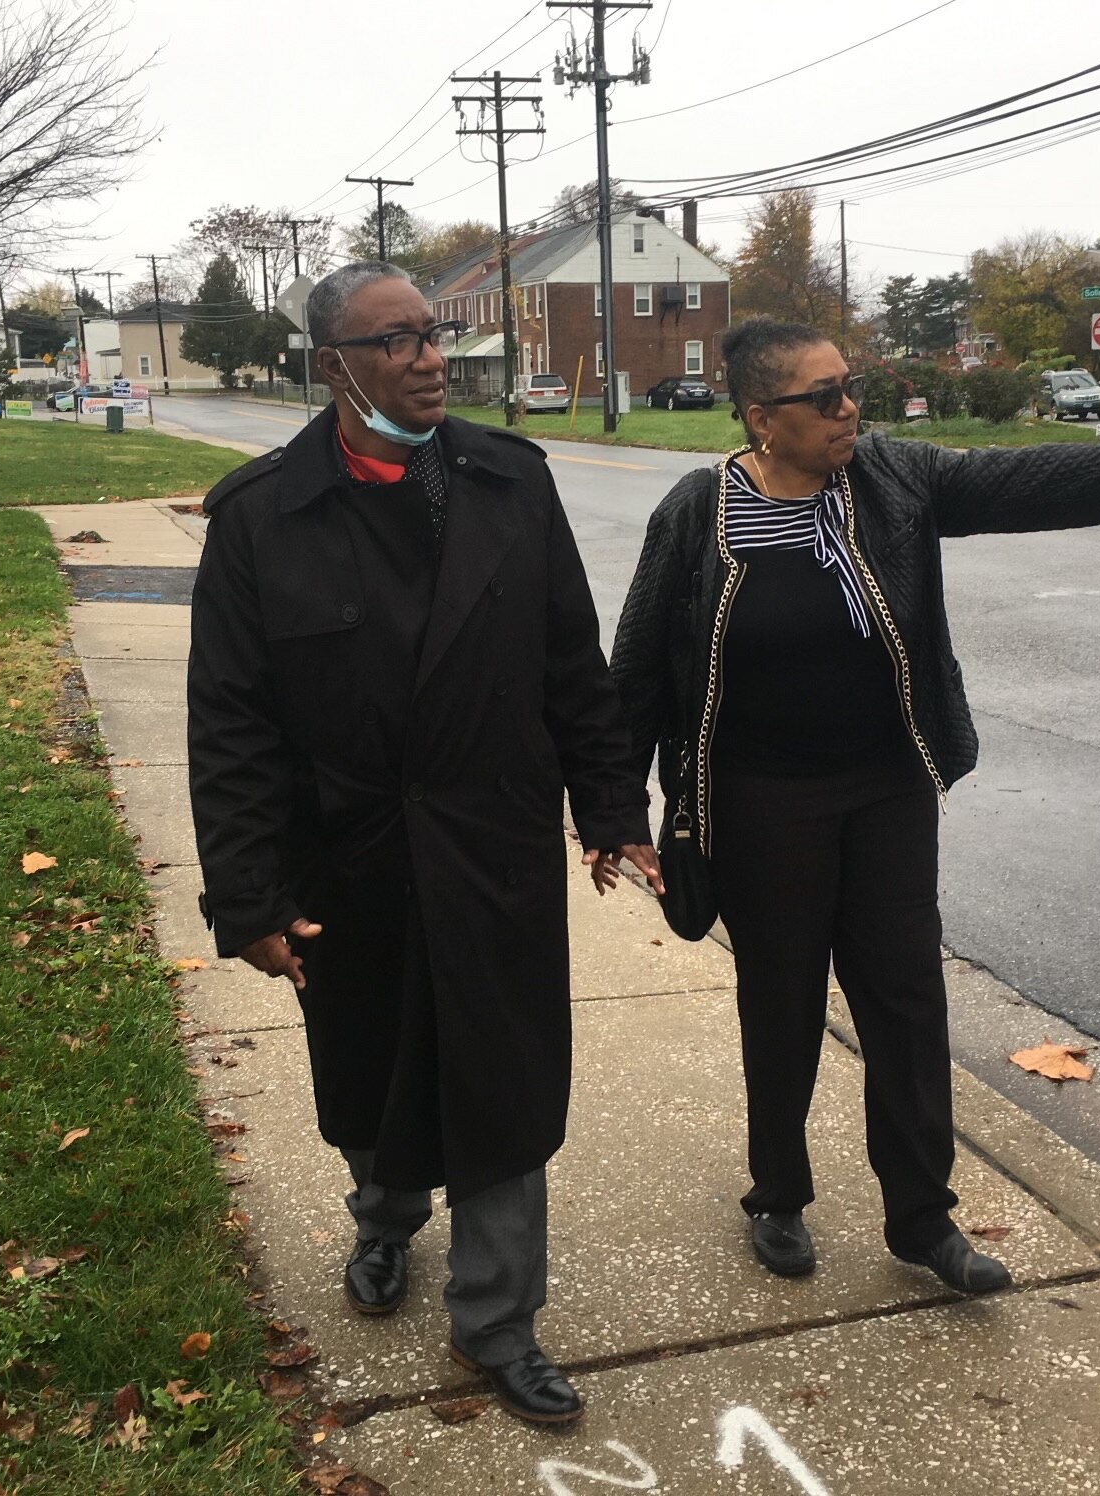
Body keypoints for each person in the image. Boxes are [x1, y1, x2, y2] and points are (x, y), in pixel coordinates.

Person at [609, 318, 1100, 1290]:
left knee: (904, 997)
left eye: (850, 387)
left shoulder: (891, 479)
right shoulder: (700, 513)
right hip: (761, 802)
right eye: (823, 397)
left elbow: (1026, 483)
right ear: (763, 418)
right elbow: (636, 669)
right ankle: (777, 1194)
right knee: (783, 1003)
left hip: (887, 788)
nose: (849, 408)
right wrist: (616, 816)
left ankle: (924, 1220)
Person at [186, 261, 660, 1426]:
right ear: (331, 367)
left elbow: (570, 664)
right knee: (376, 1073)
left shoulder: (510, 481)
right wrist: (245, 896)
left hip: (489, 841)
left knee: (502, 1082)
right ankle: (387, 1225)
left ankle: (498, 1320)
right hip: (344, 858)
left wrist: (611, 809)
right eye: (393, 342)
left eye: (432, 334)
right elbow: (231, 721)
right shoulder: (261, 517)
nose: (429, 357)